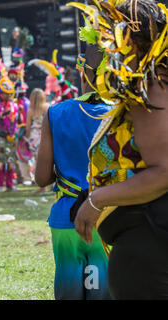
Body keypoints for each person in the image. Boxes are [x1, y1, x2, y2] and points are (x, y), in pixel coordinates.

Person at [68, 0, 168, 299]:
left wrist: (97, 200)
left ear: (131, 39)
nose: (103, 43)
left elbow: (164, 172)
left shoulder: (153, 87)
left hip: (149, 240)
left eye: (108, 34)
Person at [35, 43, 112, 300]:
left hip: (66, 217)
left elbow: (41, 178)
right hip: (108, 217)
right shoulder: (123, 112)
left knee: (68, 288)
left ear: (81, 70)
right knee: (104, 289)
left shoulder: (55, 112)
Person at [0, 78, 19, 192]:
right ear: (1, 94)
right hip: (2, 136)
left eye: (10, 94)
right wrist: (1, 116)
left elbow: (17, 120)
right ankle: (0, 185)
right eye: (6, 94)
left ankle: (10, 184)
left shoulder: (14, 105)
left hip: (12, 137)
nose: (8, 96)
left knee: (11, 160)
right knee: (2, 161)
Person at [26, 88, 49, 191]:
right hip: (45, 135)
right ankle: (53, 184)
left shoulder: (30, 111)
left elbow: (27, 127)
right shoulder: (47, 107)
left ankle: (42, 186)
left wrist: (28, 137)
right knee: (50, 160)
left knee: (37, 161)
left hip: (34, 137)